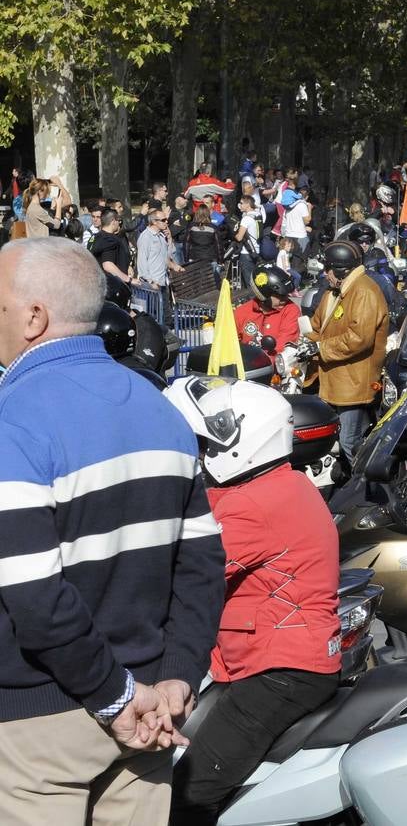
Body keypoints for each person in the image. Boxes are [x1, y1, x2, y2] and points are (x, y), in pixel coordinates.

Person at [0, 238, 224, 822]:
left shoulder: (12, 420)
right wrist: (175, 674)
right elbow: (201, 566)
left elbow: (37, 599)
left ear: (33, 316)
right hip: (150, 704)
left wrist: (117, 697)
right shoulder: (161, 410)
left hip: (45, 721)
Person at [164, 378, 339, 825]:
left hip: (280, 671)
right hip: (280, 660)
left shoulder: (253, 505)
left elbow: (183, 571)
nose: (201, 454)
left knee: (190, 797)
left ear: (240, 441)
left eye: (206, 443)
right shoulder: (284, 483)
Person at [304, 241, 389, 461]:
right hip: (331, 379)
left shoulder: (365, 291)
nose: (325, 274)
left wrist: (320, 347)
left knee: (350, 442)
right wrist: (301, 343)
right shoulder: (333, 293)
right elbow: (317, 326)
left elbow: (359, 338)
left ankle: (361, 489)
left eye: (328, 269)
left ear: (341, 270)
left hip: (353, 383)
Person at [234, 265, 301, 362]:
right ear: (264, 294)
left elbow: (284, 345)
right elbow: (229, 344)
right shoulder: (240, 313)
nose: (285, 299)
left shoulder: (291, 310)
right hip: (247, 369)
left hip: (277, 370)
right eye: (280, 296)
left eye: (286, 295)